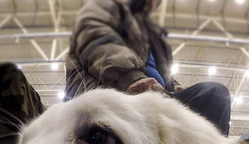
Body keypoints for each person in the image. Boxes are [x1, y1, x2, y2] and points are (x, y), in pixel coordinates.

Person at [63, 0, 231, 135]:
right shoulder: (99, 13)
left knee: (214, 94)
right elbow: (102, 46)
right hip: (108, 93)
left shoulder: (150, 36)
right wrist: (133, 79)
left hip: (153, 96)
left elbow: (163, 74)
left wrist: (173, 86)